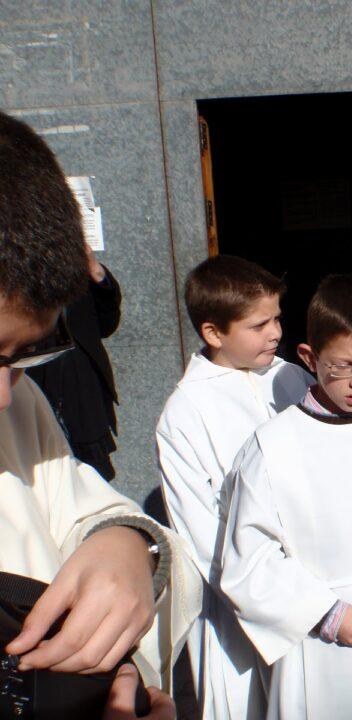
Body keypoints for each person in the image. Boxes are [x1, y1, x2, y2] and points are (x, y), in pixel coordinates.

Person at [0, 111, 199, 712]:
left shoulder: (19, 405)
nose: (3, 397)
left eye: (19, 356)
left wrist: (129, 544)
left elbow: (78, 503)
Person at [220, 275, 352, 720]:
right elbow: (248, 560)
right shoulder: (272, 446)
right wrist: (323, 612)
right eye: (343, 365)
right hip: (316, 632)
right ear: (310, 358)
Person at [156, 254, 313, 719]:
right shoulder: (185, 413)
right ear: (213, 333)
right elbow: (203, 534)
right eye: (258, 324)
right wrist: (280, 599)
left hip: (316, 580)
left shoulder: (291, 377)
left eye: (277, 318)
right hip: (245, 607)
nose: (275, 333)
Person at [27, 243, 122, 480]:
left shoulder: (77, 273)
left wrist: (95, 271)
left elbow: (106, 324)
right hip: (37, 381)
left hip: (82, 387)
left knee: (94, 475)